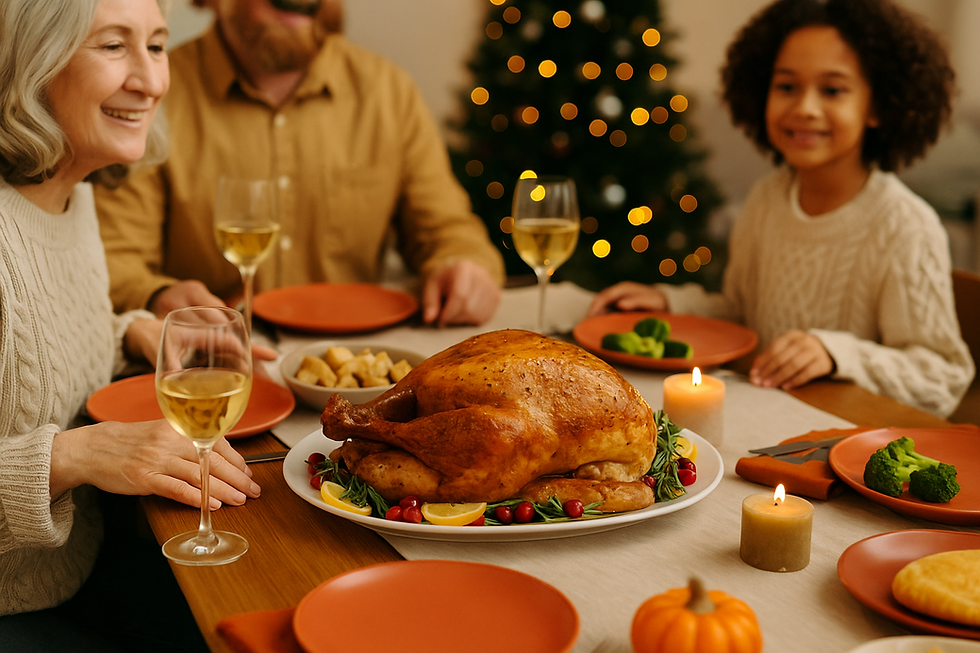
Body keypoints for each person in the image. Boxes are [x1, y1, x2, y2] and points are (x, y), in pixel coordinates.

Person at [0, 0, 263, 649]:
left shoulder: (72, 195)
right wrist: (75, 454)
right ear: (34, 62)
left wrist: (132, 332)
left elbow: (30, 350)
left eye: (157, 45)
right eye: (114, 46)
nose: (150, 80)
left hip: (86, 563)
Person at [587, 0, 974, 418]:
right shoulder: (766, 200)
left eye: (832, 90)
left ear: (879, 106)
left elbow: (942, 377)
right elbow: (741, 315)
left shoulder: (906, 226)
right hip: (762, 417)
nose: (805, 107)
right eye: (787, 87)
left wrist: (836, 353)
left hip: (844, 439)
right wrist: (668, 303)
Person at [94, 0, 505, 328]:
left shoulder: (388, 92)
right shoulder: (150, 98)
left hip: (356, 371)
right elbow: (115, 259)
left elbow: (447, 230)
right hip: (218, 372)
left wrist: (466, 266)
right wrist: (156, 296)